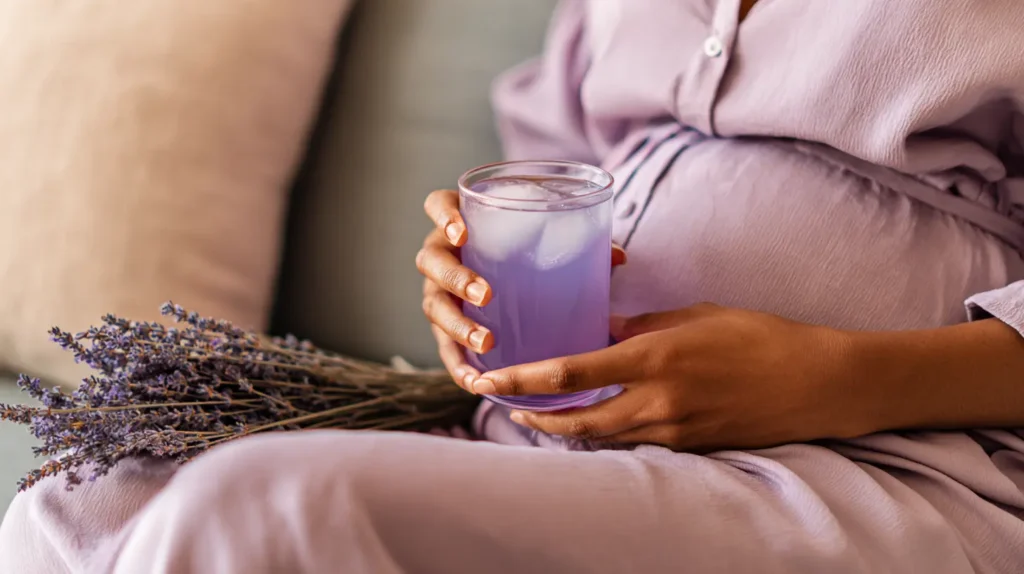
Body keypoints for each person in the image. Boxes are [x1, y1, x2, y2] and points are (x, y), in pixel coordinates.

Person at [3, 1, 1024, 572]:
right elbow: (547, 168)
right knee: (74, 504)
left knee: (261, 516)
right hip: (551, 434)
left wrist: (841, 377)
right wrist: (465, 273)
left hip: (883, 467)